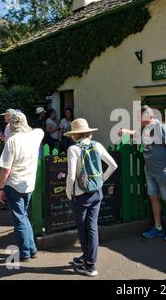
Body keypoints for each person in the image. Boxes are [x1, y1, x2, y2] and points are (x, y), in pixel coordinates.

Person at [65, 118, 117, 277]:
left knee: (83, 229)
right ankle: (87, 258)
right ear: (88, 132)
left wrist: (69, 192)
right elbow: (113, 165)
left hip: (80, 195)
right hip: (97, 193)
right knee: (92, 227)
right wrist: (101, 181)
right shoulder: (97, 145)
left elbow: (72, 176)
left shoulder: (73, 149)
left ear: (74, 135)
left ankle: (90, 265)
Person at [119, 105, 166, 241]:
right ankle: (158, 227)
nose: (137, 118)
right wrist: (125, 131)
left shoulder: (161, 128)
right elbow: (136, 133)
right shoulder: (145, 129)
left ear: (148, 116)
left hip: (163, 171)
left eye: (139, 116)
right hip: (149, 171)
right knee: (154, 198)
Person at [0, 111, 44, 261]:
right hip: (29, 184)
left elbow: (5, 169)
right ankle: (32, 249)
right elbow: (39, 130)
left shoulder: (12, 141)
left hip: (14, 184)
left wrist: (1, 189)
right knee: (23, 216)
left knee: (19, 219)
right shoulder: (36, 135)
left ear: (11, 125)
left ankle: (25, 253)